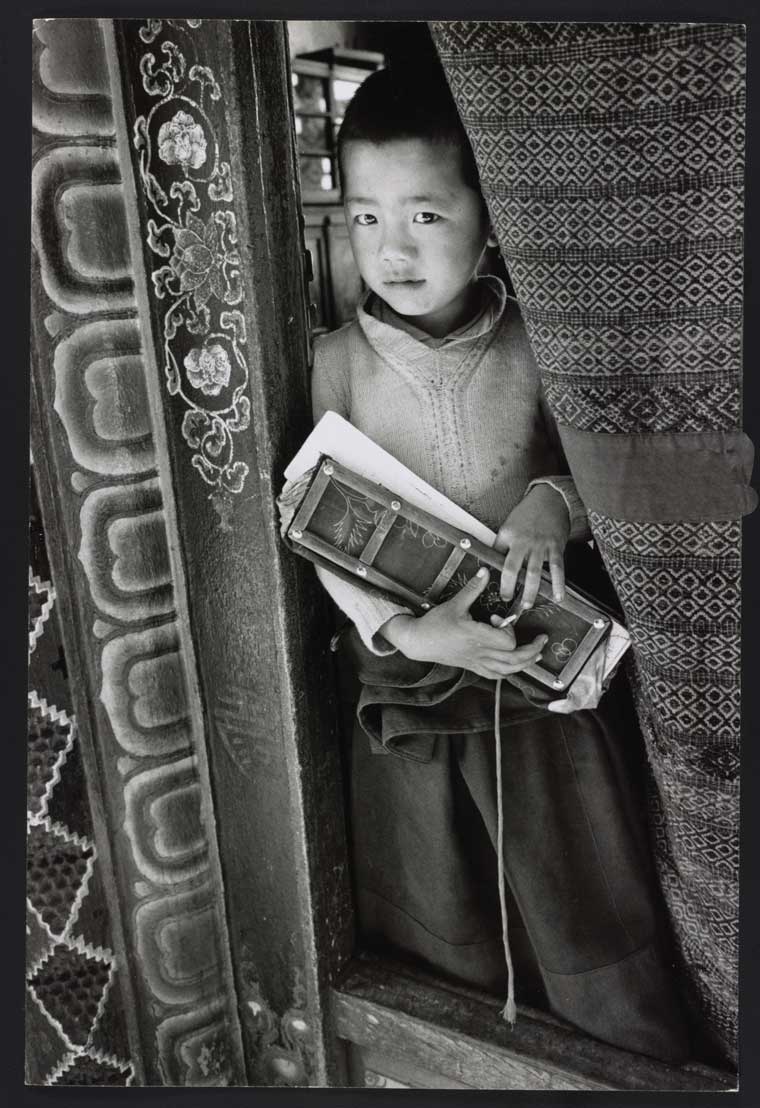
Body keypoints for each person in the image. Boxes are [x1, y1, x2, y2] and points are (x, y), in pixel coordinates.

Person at [308, 61, 689, 1063]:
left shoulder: (539, 341)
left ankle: (617, 1058)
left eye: (424, 215)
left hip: (534, 684)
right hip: (417, 684)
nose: (391, 248)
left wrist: (545, 507)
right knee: (442, 905)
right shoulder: (329, 363)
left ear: (489, 217)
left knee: (577, 902)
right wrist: (403, 629)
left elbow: (591, 467)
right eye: (364, 218)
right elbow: (319, 521)